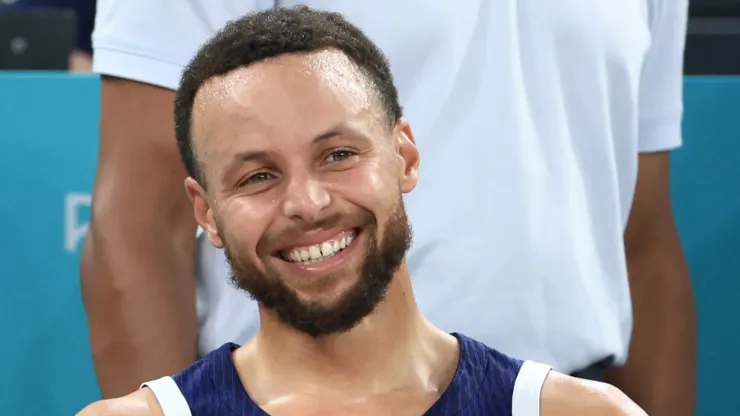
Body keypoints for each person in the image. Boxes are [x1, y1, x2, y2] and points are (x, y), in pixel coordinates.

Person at [82, 0, 695, 413]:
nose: (308, 200)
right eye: (263, 175)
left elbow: (643, 231)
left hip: (560, 390)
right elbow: (138, 221)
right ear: (208, 211)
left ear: (406, 155)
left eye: (339, 155)